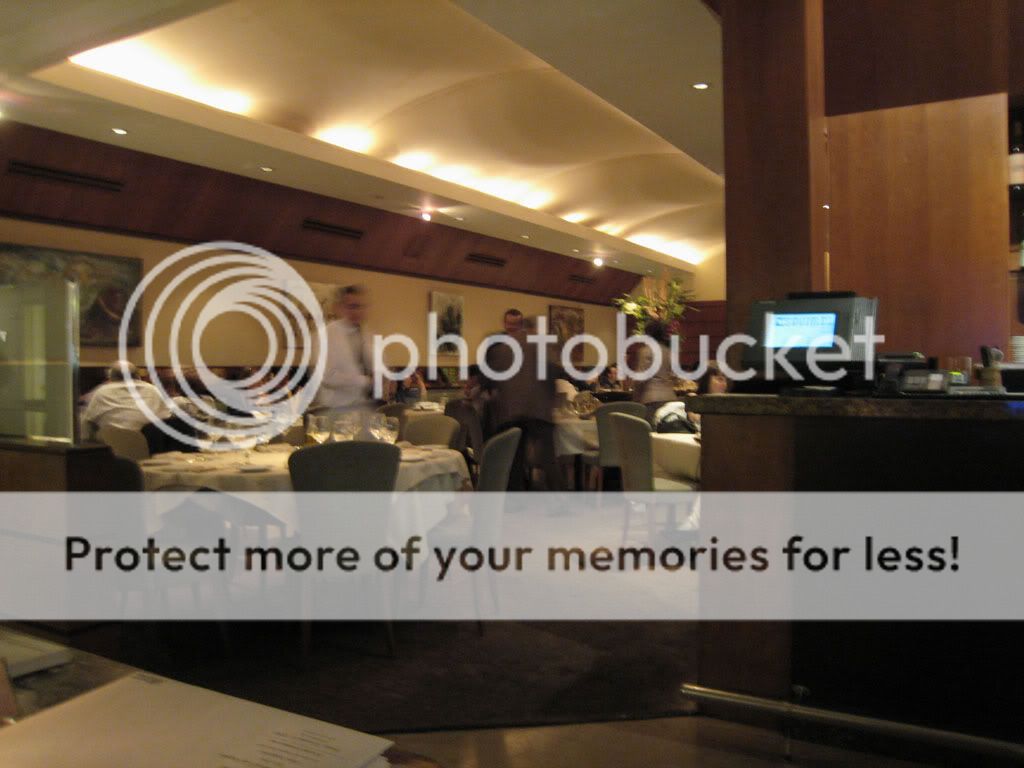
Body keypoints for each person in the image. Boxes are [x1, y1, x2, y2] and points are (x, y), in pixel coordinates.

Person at [312, 285, 372, 411]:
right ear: (339, 308)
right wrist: (364, 381)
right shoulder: (327, 334)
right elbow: (327, 376)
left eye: (361, 306)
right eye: (352, 306)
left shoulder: (366, 333)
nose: (357, 311)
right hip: (335, 408)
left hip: (361, 405)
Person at [81, 360, 171, 440]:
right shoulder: (153, 390)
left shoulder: (102, 392)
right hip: (151, 444)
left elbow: (88, 421)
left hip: (114, 444)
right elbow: (167, 417)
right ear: (138, 375)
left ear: (111, 377)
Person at [632, 319, 678, 421]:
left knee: (651, 429)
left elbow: (641, 378)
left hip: (651, 399)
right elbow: (674, 376)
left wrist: (635, 398)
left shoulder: (646, 351)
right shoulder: (669, 352)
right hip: (670, 397)